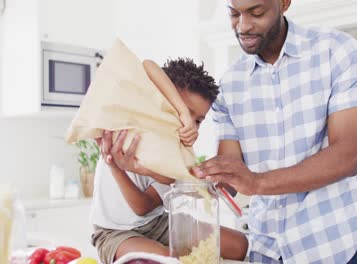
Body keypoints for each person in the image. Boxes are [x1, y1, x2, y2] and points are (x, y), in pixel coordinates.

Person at [193, 0, 357, 263]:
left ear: (284, 3)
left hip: (331, 248)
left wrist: (257, 182)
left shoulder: (336, 51)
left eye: (257, 13)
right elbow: (230, 175)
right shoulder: (231, 83)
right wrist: (186, 170)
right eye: (234, 14)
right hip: (266, 251)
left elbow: (347, 155)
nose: (243, 26)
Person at [90, 58, 247, 264]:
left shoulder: (178, 150)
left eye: (198, 120)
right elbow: (148, 65)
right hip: (116, 232)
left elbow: (149, 203)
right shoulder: (133, 119)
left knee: (240, 245)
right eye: (185, 112)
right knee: (165, 260)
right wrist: (115, 167)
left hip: (159, 223)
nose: (189, 124)